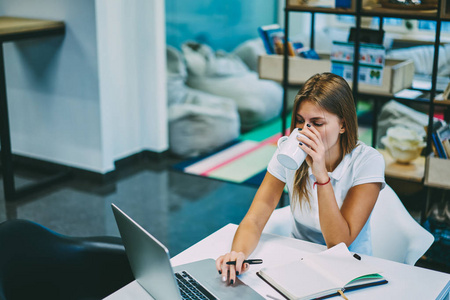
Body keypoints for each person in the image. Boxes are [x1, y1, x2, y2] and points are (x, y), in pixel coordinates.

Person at [215, 72, 386, 284]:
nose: (306, 131)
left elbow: (339, 243)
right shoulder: (288, 150)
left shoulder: (368, 162)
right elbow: (255, 217)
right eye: (300, 121)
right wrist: (237, 253)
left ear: (342, 124)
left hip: (350, 266)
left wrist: (321, 175)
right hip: (299, 259)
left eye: (317, 123)